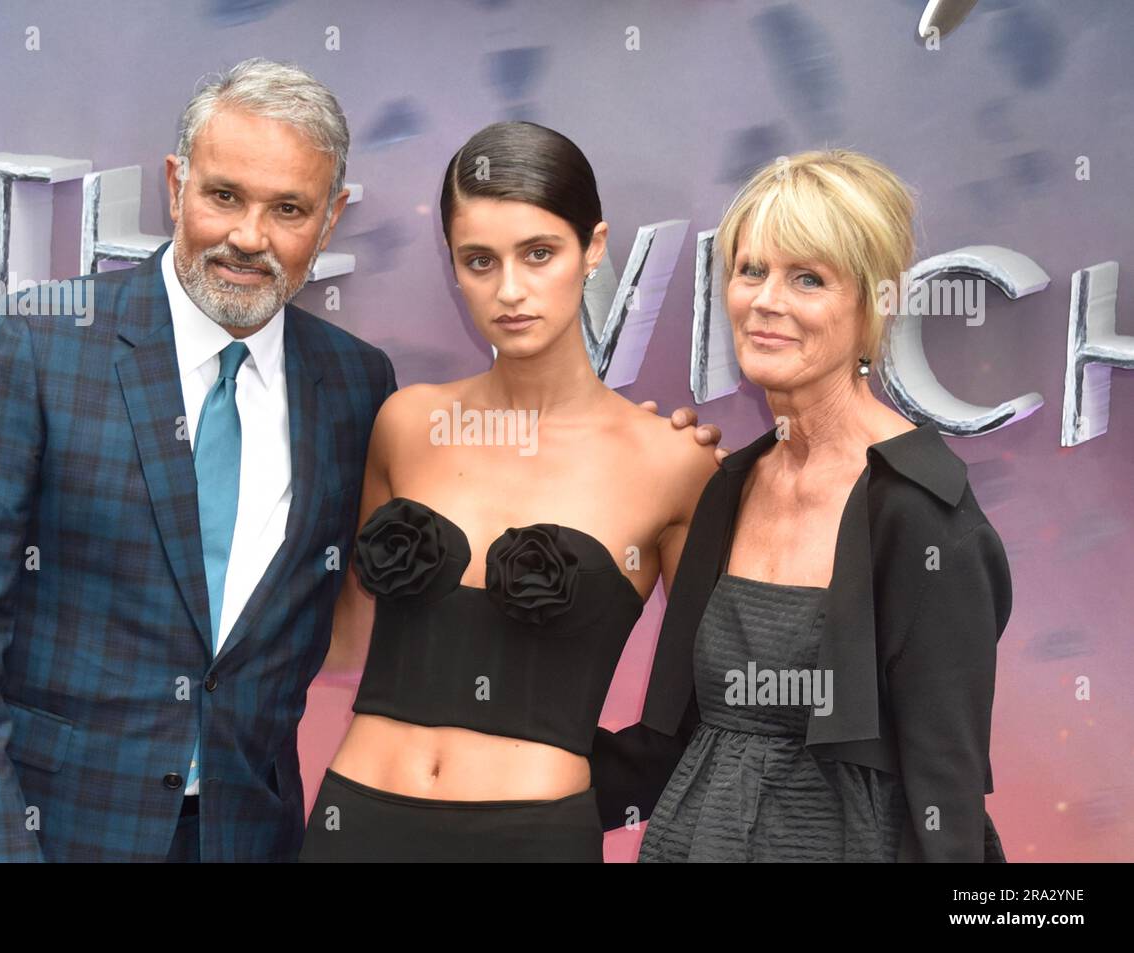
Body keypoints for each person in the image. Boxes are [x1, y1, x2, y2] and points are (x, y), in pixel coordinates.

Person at [0, 59, 393, 861]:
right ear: (175, 184)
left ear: (330, 220)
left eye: (289, 209)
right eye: (224, 195)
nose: (248, 237)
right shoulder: (35, 342)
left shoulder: (355, 383)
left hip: (243, 839)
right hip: (39, 831)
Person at [298, 121, 725, 862]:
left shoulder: (673, 462)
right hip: (354, 821)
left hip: (533, 837)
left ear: (593, 249)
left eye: (539, 253)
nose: (510, 290)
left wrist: (575, 798)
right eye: (478, 261)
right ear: (452, 265)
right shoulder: (406, 422)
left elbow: (717, 705)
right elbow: (344, 637)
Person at [592, 149, 1013, 863]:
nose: (765, 300)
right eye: (751, 270)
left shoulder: (923, 511)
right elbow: (670, 736)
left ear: (872, 304)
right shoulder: (731, 483)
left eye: (808, 278)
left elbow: (948, 789)